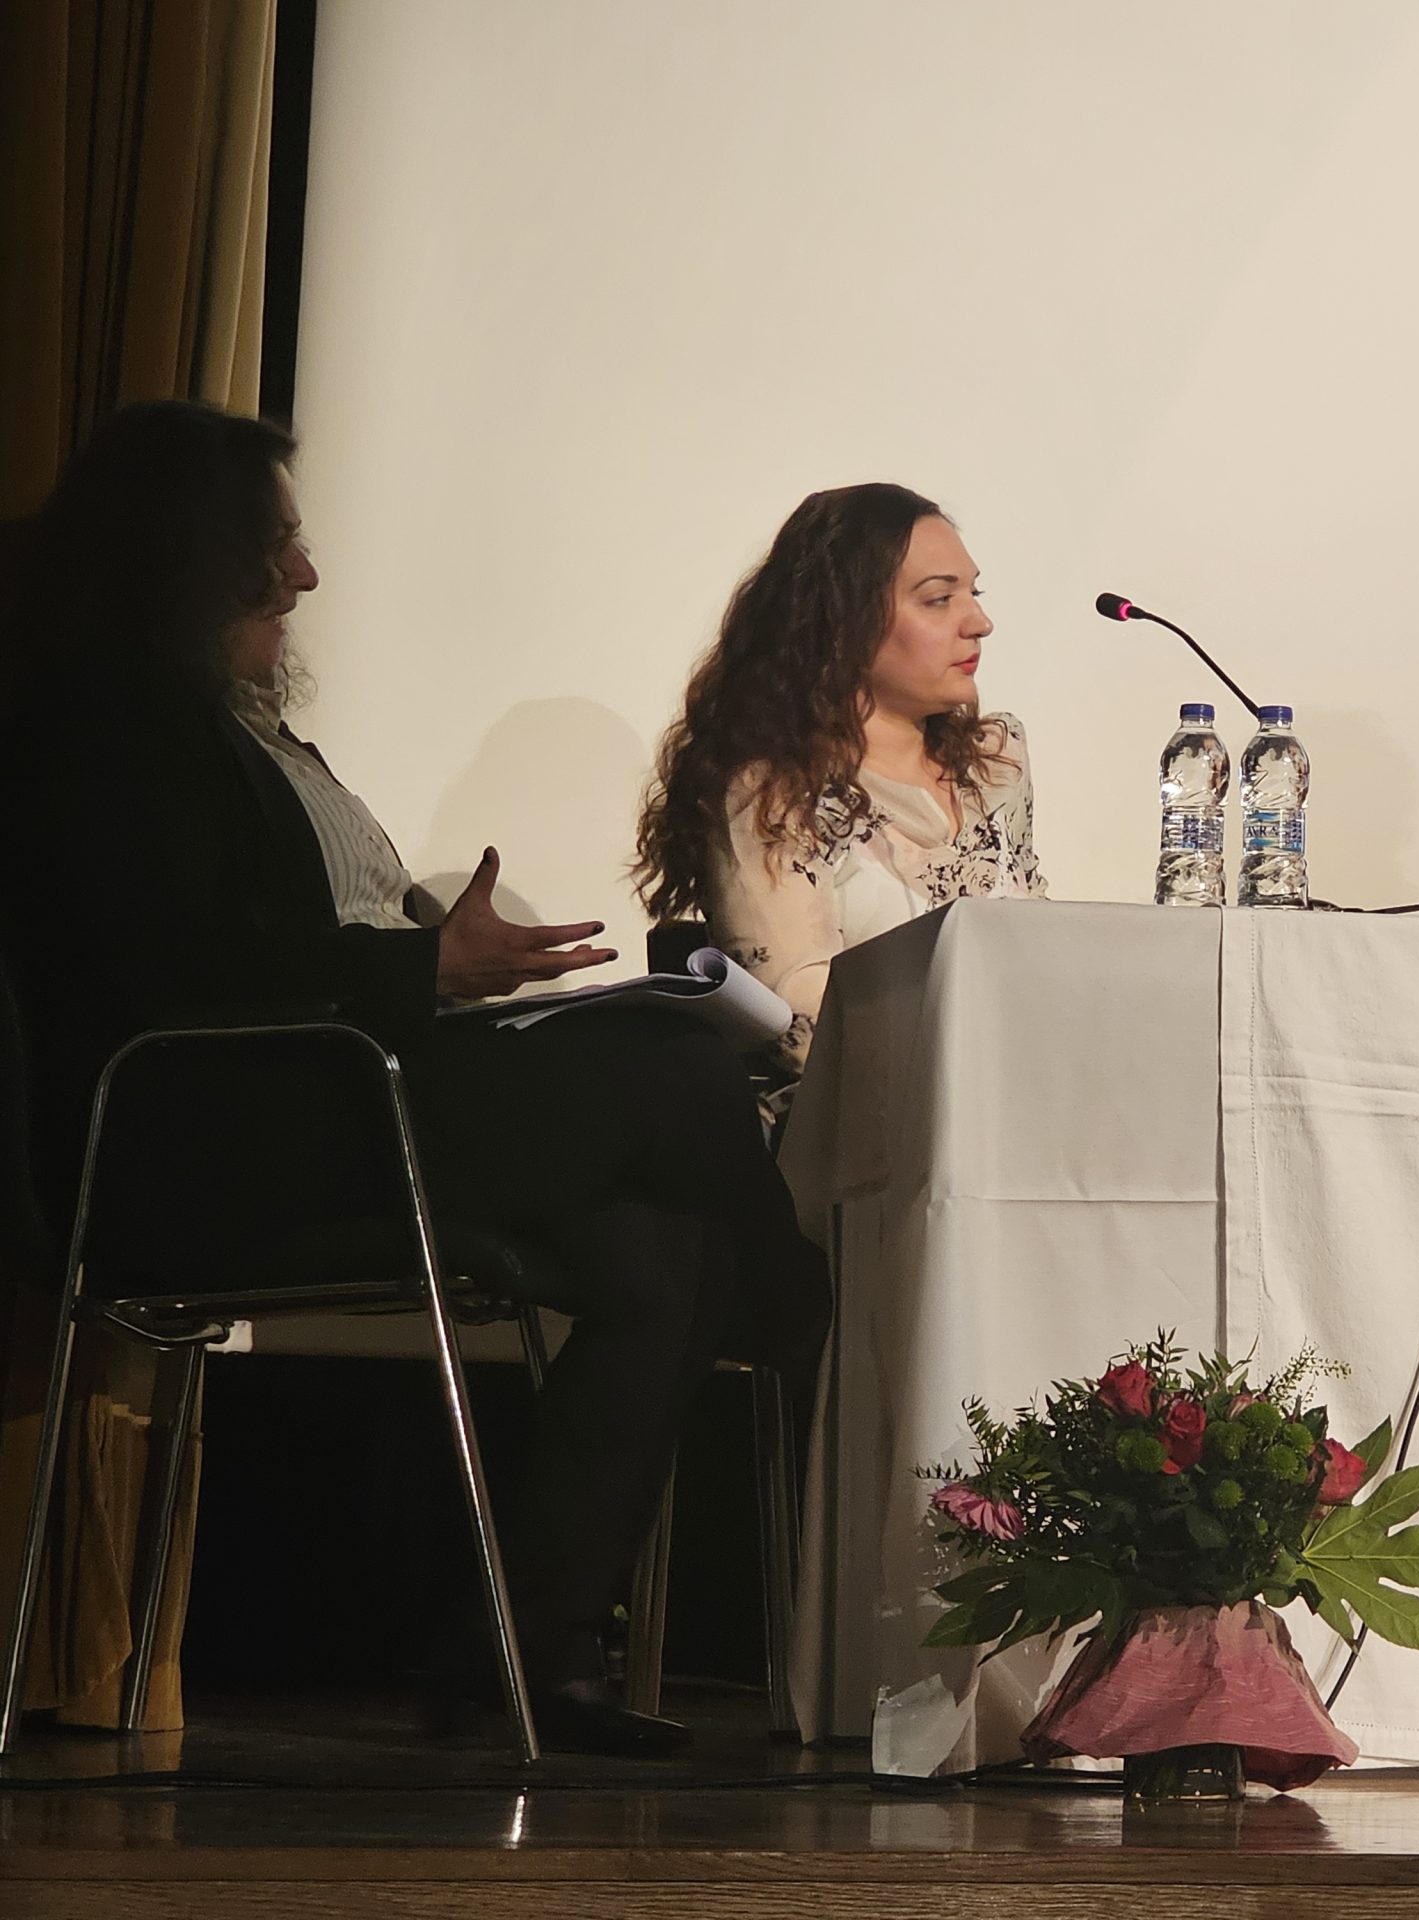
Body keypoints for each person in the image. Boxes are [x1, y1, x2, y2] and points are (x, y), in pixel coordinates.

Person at [0, 401, 831, 1755]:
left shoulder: (241, 727)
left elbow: (301, 935)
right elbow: (177, 963)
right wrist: (420, 967)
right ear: (187, 553)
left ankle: (518, 1658)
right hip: (226, 1139)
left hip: (346, 1097)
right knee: (681, 1064)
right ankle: (804, 1311)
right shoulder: (107, 725)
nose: (306, 574)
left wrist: (435, 956)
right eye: (276, 544)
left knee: (662, 1252)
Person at [635, 485, 1045, 1087]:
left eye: (973, 595)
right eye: (939, 600)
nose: (979, 623)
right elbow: (798, 1024)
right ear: (842, 621)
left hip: (1012, 1094)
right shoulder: (772, 791)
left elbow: (1036, 947)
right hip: (860, 1119)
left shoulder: (993, 762)